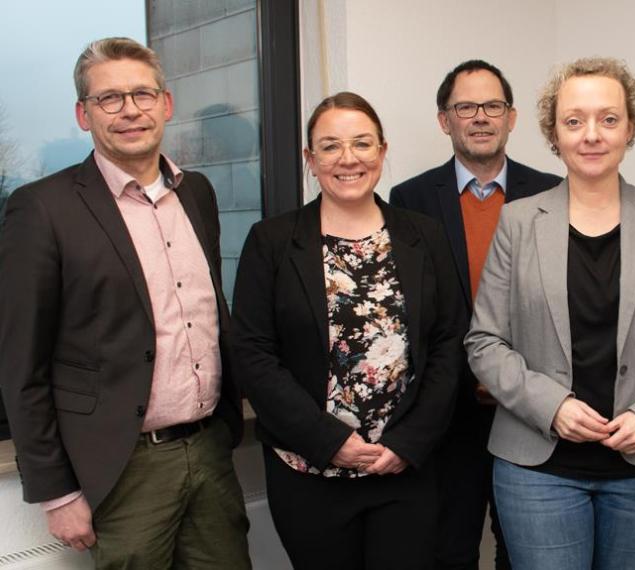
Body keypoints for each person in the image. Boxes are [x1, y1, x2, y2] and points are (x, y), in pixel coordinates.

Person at [0, 37, 250, 568]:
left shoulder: (197, 193)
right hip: (123, 467)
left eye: (142, 93)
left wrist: (230, 422)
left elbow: (209, 314)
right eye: (109, 99)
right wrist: (57, 492)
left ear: (166, 103)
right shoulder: (42, 209)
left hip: (209, 451)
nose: (130, 110)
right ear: (82, 114)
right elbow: (22, 363)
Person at [465, 57, 635, 570]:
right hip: (538, 466)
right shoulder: (519, 221)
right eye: (574, 120)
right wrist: (552, 405)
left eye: (608, 119)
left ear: (630, 128)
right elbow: (485, 342)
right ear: (553, 134)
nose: (591, 135)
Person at [231, 92, 464, 569]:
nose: (348, 158)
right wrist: (329, 440)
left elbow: (448, 343)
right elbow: (253, 354)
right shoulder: (272, 242)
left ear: (381, 150)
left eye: (362, 143)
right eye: (331, 146)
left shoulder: (424, 235)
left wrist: (408, 442)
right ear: (309, 160)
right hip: (309, 471)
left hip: (403, 468)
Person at [389, 59, 561, 570]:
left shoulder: (552, 192)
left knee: (525, 551)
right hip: (450, 410)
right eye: (466, 107)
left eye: (493, 106)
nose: (480, 117)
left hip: (530, 408)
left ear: (512, 118)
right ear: (446, 120)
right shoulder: (411, 199)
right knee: (450, 548)